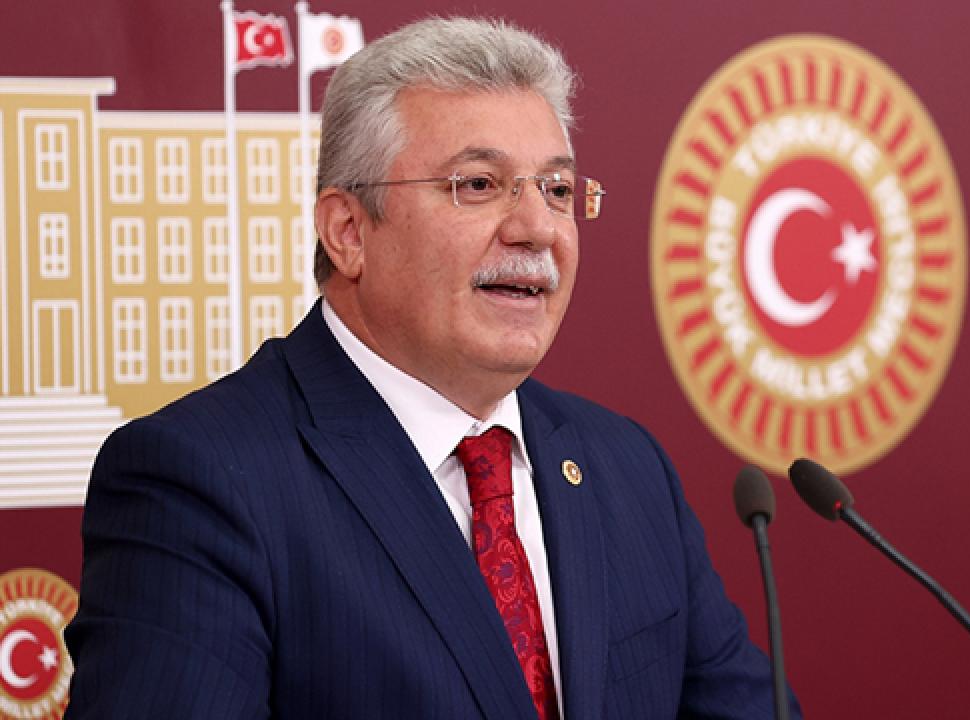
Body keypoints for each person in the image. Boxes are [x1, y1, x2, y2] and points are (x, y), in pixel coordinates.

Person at [65, 15, 801, 720]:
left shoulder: (626, 467)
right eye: (477, 184)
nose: (537, 228)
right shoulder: (204, 480)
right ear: (349, 232)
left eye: (556, 190)